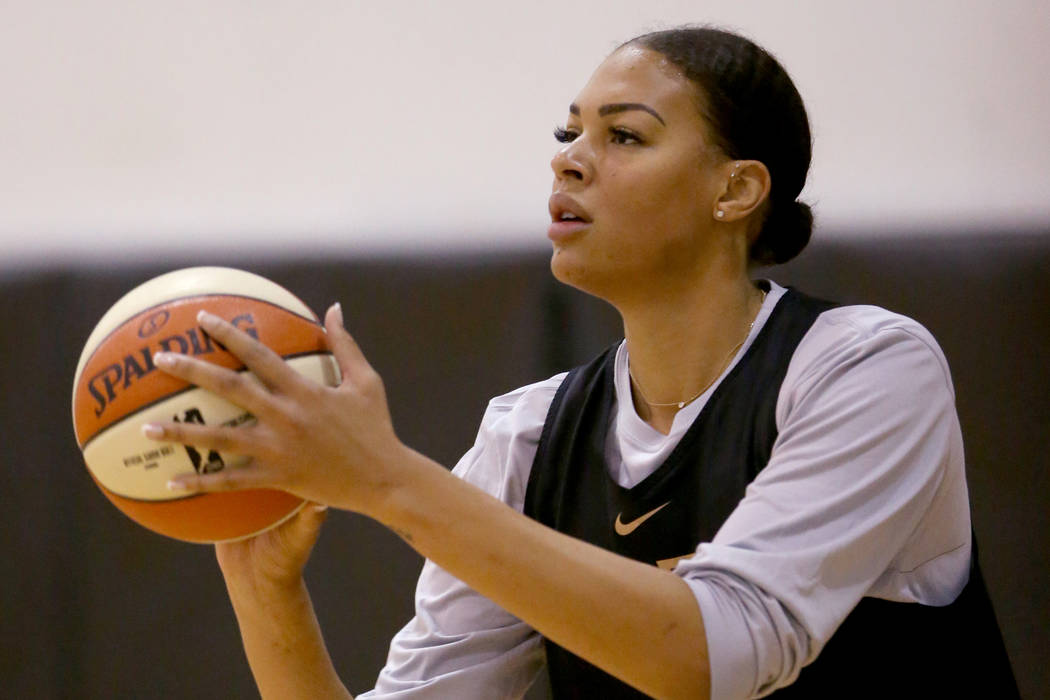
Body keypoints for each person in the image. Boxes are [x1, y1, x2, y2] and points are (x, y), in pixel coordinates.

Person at [143, 26, 1017, 699]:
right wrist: (265, 591)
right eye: (568, 132)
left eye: (624, 136)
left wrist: (387, 479)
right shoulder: (526, 437)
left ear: (736, 190)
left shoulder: (867, 367)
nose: (569, 157)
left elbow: (713, 656)